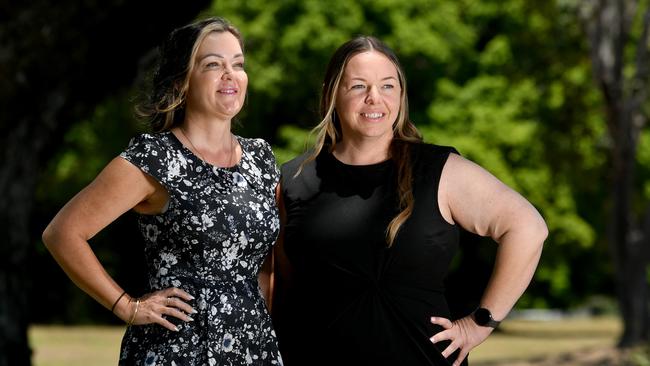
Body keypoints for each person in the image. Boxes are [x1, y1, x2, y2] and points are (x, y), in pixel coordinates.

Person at [272, 36, 548, 366]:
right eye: (359, 86)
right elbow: (280, 285)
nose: (374, 98)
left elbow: (528, 228)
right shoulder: (292, 179)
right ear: (332, 93)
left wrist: (479, 324)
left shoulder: (438, 171)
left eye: (387, 86)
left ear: (401, 95)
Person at [42, 17, 283, 365]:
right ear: (183, 80)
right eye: (213, 65)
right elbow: (62, 233)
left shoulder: (261, 157)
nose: (230, 75)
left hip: (253, 346)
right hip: (178, 349)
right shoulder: (155, 158)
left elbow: (267, 263)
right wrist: (126, 305)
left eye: (238, 64)